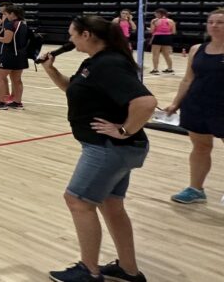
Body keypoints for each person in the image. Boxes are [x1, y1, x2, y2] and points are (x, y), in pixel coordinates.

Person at [38, 15, 154, 282]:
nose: (69, 40)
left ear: (86, 35)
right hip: (115, 149)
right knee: (111, 205)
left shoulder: (109, 64)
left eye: (72, 34)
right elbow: (73, 89)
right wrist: (51, 70)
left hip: (108, 148)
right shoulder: (95, 62)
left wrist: (123, 130)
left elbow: (146, 103)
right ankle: (128, 270)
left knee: (77, 201)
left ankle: (89, 271)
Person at [165, 8, 224, 205]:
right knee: (201, 147)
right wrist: (176, 103)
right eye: (211, 22)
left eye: (220, 22)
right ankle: (196, 189)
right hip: (197, 105)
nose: (214, 25)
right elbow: (187, 79)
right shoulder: (196, 49)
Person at [0, 4, 29, 110]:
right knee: (17, 79)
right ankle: (17, 103)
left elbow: (7, 40)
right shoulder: (23, 24)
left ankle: (1, 103)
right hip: (21, 55)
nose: (6, 16)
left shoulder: (10, 24)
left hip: (10, 54)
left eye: (6, 14)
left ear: (12, 14)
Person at [147, 8, 176, 74]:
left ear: (159, 14)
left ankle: (155, 69)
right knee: (167, 55)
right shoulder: (171, 21)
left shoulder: (154, 20)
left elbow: (152, 31)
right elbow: (173, 32)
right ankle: (170, 68)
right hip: (167, 38)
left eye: (155, 13)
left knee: (155, 54)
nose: (154, 14)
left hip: (158, 37)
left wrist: (150, 29)